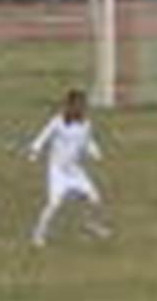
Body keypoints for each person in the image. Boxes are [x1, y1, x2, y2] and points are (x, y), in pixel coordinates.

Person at [26, 89, 112, 248]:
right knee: (54, 203)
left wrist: (95, 151)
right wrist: (34, 151)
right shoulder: (57, 122)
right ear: (69, 105)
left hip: (75, 170)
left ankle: (92, 225)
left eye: (83, 105)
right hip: (58, 170)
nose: (80, 109)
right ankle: (38, 234)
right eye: (77, 105)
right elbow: (43, 136)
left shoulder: (86, 124)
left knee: (94, 198)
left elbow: (88, 141)